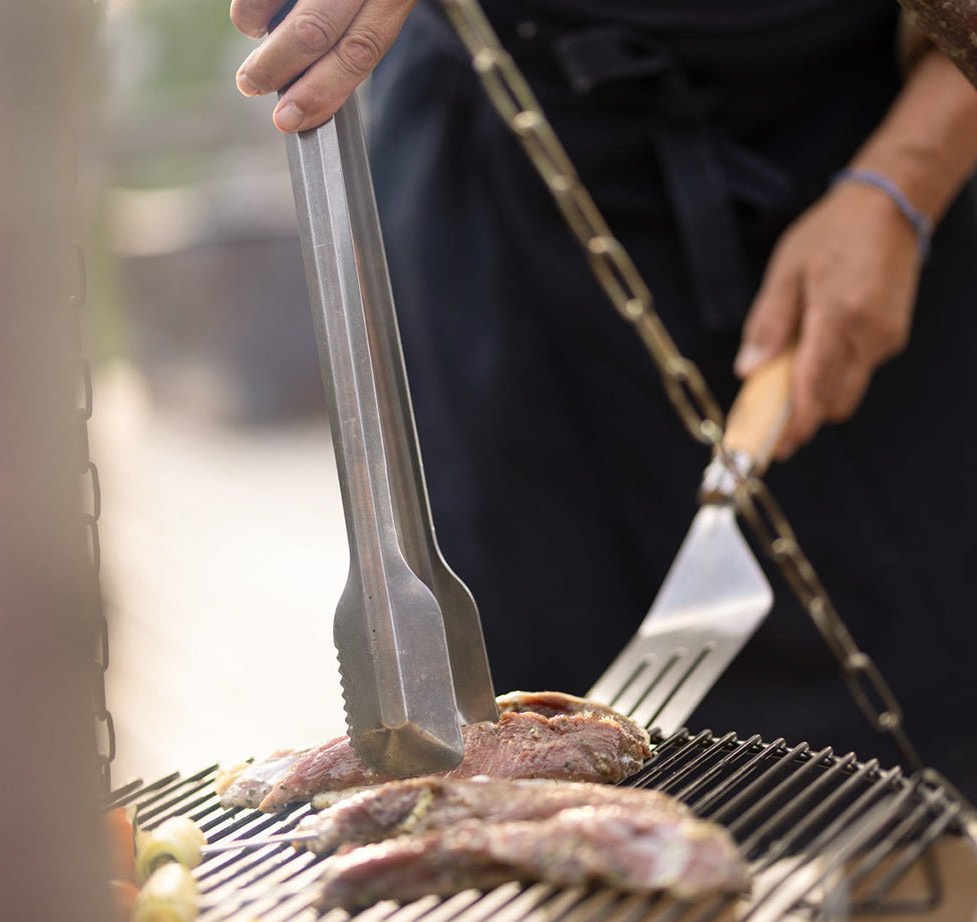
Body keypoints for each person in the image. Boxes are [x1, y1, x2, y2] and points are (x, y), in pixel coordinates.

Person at [230, 0, 977, 801]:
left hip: (854, 143)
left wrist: (900, 186)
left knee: (906, 738)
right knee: (523, 764)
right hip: (504, 181)